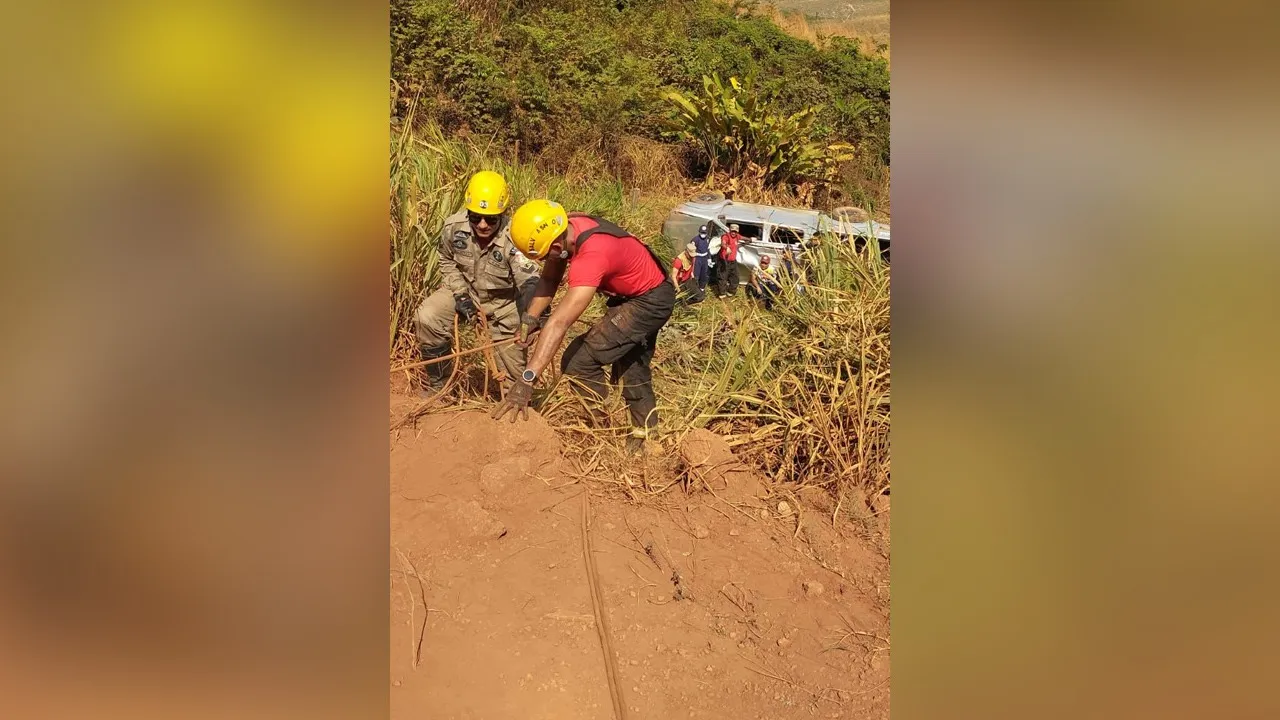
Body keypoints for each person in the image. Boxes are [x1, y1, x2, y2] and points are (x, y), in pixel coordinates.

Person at [493, 199, 675, 454]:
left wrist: (528, 378)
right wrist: (530, 319)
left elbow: (560, 322)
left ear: (556, 245)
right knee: (631, 367)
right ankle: (645, 434)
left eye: (546, 255)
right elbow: (550, 277)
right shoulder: (565, 229)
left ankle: (601, 427)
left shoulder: (591, 256)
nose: (547, 260)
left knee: (579, 361)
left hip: (649, 301)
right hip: (635, 294)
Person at [414, 170, 542, 395]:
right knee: (428, 316)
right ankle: (439, 387)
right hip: (466, 293)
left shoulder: (514, 237)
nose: (482, 225)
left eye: (491, 219)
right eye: (475, 217)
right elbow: (446, 259)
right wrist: (461, 293)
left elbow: (530, 282)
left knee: (513, 382)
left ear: (502, 214)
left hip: (505, 307)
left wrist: (531, 318)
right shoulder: (454, 227)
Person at [717, 223, 743, 296]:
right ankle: (722, 294)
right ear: (729, 230)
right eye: (732, 231)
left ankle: (731, 291)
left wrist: (750, 239)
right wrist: (726, 248)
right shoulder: (726, 236)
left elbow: (743, 238)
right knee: (723, 277)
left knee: (735, 277)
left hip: (733, 261)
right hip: (724, 261)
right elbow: (723, 243)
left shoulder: (737, 237)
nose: (733, 233)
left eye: (735, 231)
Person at [691, 225, 711, 294]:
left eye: (704, 233)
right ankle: (695, 289)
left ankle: (702, 288)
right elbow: (691, 250)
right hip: (697, 258)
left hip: (704, 259)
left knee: (704, 274)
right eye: (702, 232)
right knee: (696, 274)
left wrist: (709, 258)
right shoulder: (695, 239)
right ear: (699, 232)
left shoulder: (707, 239)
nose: (703, 234)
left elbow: (708, 249)